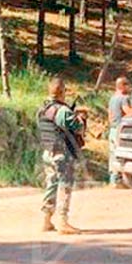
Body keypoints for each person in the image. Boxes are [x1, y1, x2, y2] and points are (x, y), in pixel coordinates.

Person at [37, 77, 85, 235]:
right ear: (62, 91)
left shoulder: (42, 109)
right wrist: (81, 118)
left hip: (48, 152)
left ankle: (46, 219)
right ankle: (63, 222)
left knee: (51, 184)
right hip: (61, 153)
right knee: (65, 186)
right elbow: (77, 128)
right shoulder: (62, 111)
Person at [107, 76, 132, 185]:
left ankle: (112, 179)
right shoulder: (124, 98)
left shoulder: (112, 98)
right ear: (122, 86)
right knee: (120, 153)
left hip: (112, 128)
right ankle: (119, 179)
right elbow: (127, 111)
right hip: (120, 129)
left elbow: (109, 114)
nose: (129, 87)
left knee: (112, 153)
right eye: (127, 84)